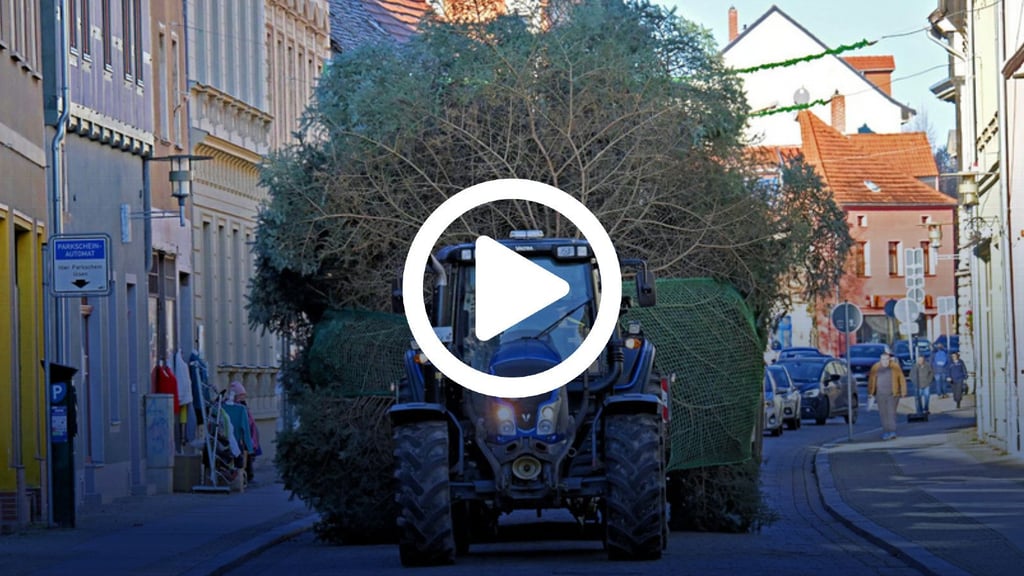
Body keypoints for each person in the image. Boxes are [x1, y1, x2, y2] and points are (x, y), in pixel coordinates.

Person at [868, 351, 907, 441]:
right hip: (880, 394)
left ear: (889, 359)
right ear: (880, 360)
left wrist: (903, 391)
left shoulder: (895, 367)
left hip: (893, 394)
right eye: (883, 359)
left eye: (886, 359)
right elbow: (871, 380)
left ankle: (892, 431)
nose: (885, 361)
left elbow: (901, 379)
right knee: (883, 414)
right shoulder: (875, 367)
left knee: (891, 413)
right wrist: (870, 392)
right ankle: (886, 431)